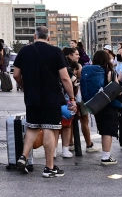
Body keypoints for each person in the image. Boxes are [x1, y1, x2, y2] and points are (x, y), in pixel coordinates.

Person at [13, 26, 75, 178]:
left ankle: (23, 157)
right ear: (48, 38)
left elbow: (16, 75)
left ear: (34, 36)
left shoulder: (24, 51)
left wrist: (24, 86)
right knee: (49, 128)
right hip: (51, 96)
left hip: (31, 97)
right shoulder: (56, 52)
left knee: (32, 127)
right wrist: (72, 98)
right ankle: (49, 167)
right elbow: (65, 77)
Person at [80, 51, 119, 165]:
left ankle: (105, 155)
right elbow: (117, 90)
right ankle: (106, 157)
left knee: (102, 129)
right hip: (108, 104)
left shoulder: (87, 70)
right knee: (108, 130)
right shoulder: (109, 72)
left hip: (95, 104)